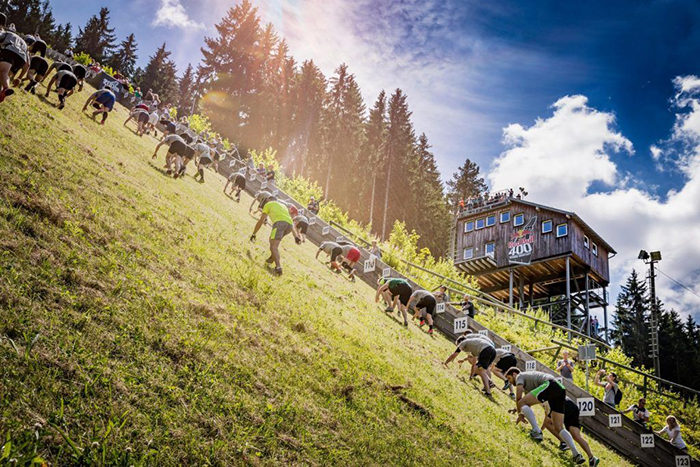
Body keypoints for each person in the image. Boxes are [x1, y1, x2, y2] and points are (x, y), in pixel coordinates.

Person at [504, 368, 583, 463]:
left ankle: (536, 432)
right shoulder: (529, 383)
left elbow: (519, 399)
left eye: (509, 378)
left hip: (550, 384)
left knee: (522, 402)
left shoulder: (520, 376)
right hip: (560, 389)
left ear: (514, 374)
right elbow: (527, 403)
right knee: (558, 427)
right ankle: (576, 454)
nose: (510, 382)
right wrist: (517, 409)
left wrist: (520, 414)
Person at [540, 397, 600, 466]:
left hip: (562, 406)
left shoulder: (544, 398)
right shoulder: (553, 391)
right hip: (572, 407)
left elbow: (547, 416)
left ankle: (564, 442)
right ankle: (592, 458)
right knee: (576, 436)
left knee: (551, 424)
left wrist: (540, 430)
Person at [250, 198, 301, 276]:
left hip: (280, 223)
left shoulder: (268, 204)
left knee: (273, 246)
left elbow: (261, 221)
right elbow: (289, 220)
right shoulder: (283, 205)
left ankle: (278, 268)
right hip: (290, 226)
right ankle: (272, 258)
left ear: (268, 200)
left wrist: (254, 234)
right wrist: (296, 237)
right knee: (271, 239)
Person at [444, 332, 496, 396]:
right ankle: (489, 383)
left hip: (486, 350)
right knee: (480, 370)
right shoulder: (473, 349)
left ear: (460, 342)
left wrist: (446, 362)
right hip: (493, 351)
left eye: (458, 345)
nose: (459, 347)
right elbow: (473, 364)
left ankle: (488, 390)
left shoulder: (464, 342)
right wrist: (471, 376)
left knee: (480, 371)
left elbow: (455, 354)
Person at [0, 29, 29, 102]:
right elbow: (28, 64)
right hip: (22, 59)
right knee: (4, 76)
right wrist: (19, 78)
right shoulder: (24, 44)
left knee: (3, 71)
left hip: (10, 51)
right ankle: (3, 92)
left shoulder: (6, 33)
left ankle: (6, 88)